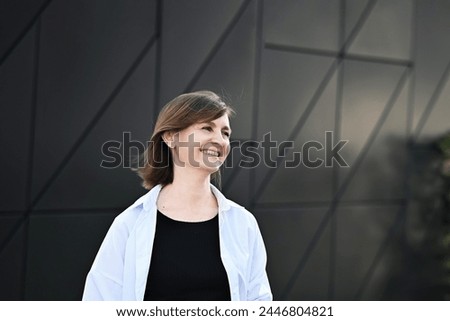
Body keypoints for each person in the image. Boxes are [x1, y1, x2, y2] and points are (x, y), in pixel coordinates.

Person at [82, 90, 272, 301]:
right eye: (207, 128)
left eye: (225, 133)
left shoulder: (243, 224)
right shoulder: (129, 224)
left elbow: (259, 303)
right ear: (171, 137)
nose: (219, 140)